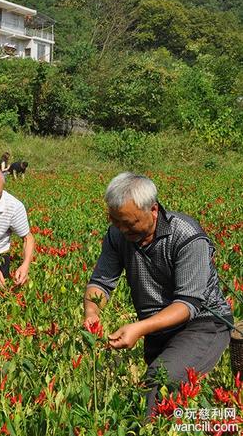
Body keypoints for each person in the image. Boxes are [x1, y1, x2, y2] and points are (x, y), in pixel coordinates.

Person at [83, 172, 232, 415]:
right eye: (115, 221)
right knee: (164, 399)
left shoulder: (186, 235)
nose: (121, 229)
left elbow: (188, 303)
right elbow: (100, 282)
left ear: (153, 210)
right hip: (158, 327)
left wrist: (139, 328)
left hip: (203, 323)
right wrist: (92, 311)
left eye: (129, 223)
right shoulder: (117, 235)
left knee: (160, 382)